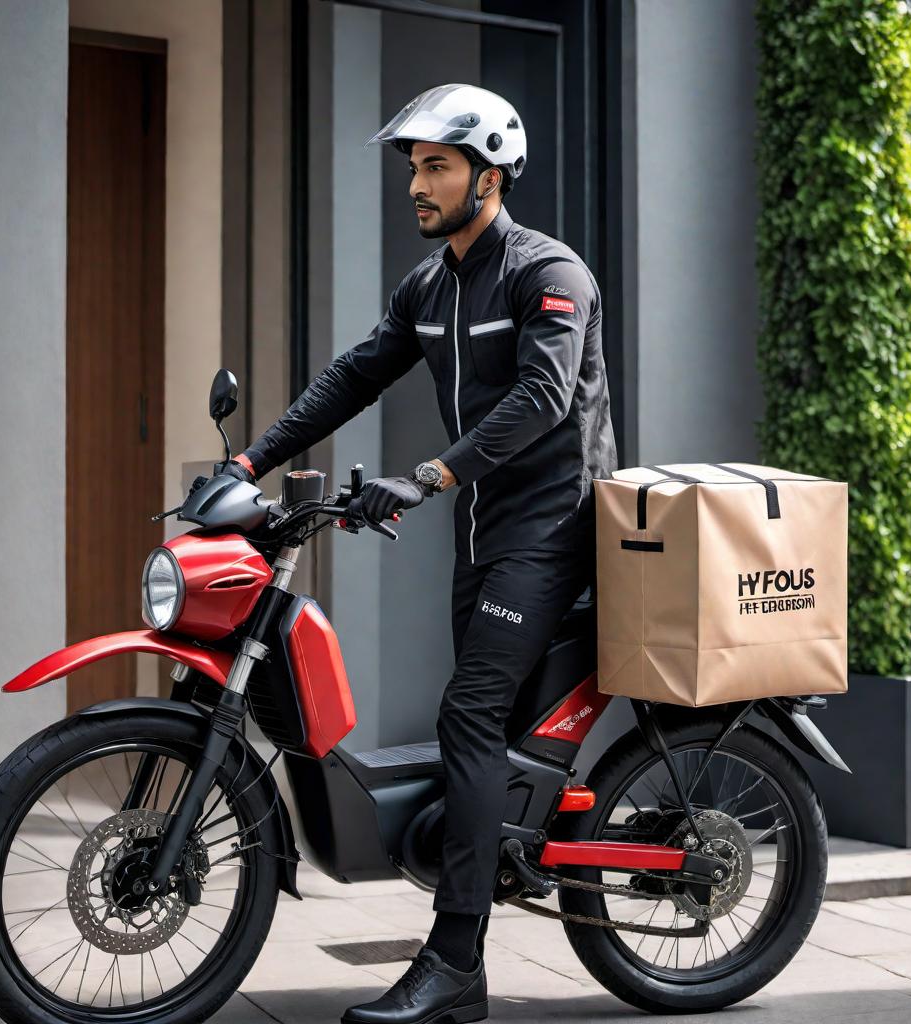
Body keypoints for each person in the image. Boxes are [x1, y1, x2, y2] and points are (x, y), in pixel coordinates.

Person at [224, 84, 617, 1024]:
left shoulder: (547, 271)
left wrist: (429, 475)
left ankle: (456, 967)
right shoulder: (432, 284)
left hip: (551, 530)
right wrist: (248, 459)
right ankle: (499, 862)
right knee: (491, 725)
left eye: (436, 165)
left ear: (490, 174)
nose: (417, 183)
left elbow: (541, 400)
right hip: (481, 532)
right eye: (413, 166)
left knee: (468, 720)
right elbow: (356, 375)